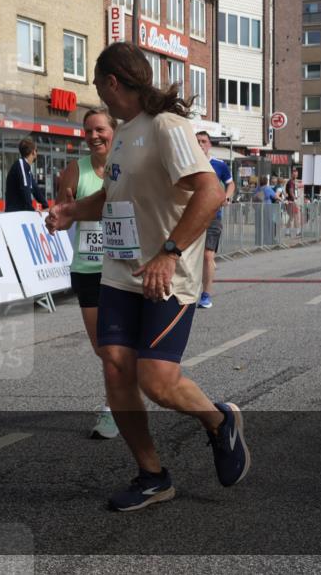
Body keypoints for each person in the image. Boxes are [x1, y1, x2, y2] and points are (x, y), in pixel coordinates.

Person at [46, 42, 249, 512]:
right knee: (116, 367)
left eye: (98, 84)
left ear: (113, 81)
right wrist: (71, 211)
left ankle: (219, 423)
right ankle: (152, 475)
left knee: (157, 381)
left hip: (166, 276)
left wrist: (169, 251)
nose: (96, 91)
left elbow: (211, 191)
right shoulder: (122, 133)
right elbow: (114, 199)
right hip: (120, 273)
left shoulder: (166, 127)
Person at [57, 108, 119, 439]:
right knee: (102, 348)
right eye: (87, 131)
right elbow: (63, 215)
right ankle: (123, 394)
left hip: (122, 269)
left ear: (114, 131)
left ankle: (112, 410)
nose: (93, 136)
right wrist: (57, 218)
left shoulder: (127, 168)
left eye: (99, 130)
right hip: (88, 269)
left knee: (113, 348)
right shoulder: (74, 171)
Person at [194, 132, 234, 309]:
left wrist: (226, 197)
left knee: (207, 255)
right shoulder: (186, 163)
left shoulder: (219, 165)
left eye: (203, 141)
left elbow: (231, 183)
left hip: (212, 216)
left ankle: (206, 295)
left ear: (209, 145)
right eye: (197, 141)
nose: (200, 144)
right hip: (189, 217)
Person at [4, 137, 48, 212]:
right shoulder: (21, 164)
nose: (37, 153)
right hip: (15, 214)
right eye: (36, 151)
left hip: (21, 213)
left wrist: (46, 206)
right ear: (33, 152)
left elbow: (35, 189)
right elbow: (25, 189)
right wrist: (32, 211)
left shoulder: (27, 169)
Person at [285, 168, 303, 237]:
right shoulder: (291, 182)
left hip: (291, 201)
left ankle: (287, 232)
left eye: (296, 174)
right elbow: (291, 192)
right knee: (296, 216)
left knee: (292, 217)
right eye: (294, 174)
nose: (296, 175)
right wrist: (294, 199)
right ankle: (297, 231)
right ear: (292, 174)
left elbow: (291, 192)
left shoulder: (292, 182)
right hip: (291, 202)